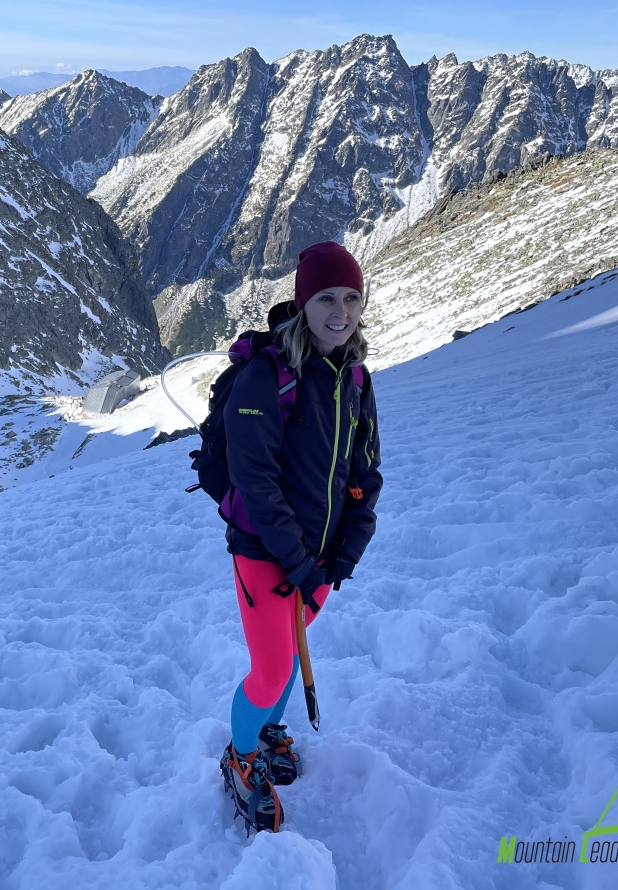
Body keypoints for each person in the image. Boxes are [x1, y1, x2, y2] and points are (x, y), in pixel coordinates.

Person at [218, 241, 383, 832]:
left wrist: (344, 554)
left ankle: (265, 731)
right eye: (326, 298)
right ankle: (240, 758)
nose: (341, 311)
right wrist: (299, 562)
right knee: (270, 670)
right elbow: (255, 481)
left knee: (288, 657)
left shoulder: (356, 377)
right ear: (302, 303)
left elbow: (365, 474)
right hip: (264, 552)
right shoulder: (267, 377)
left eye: (351, 297)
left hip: (317, 561)